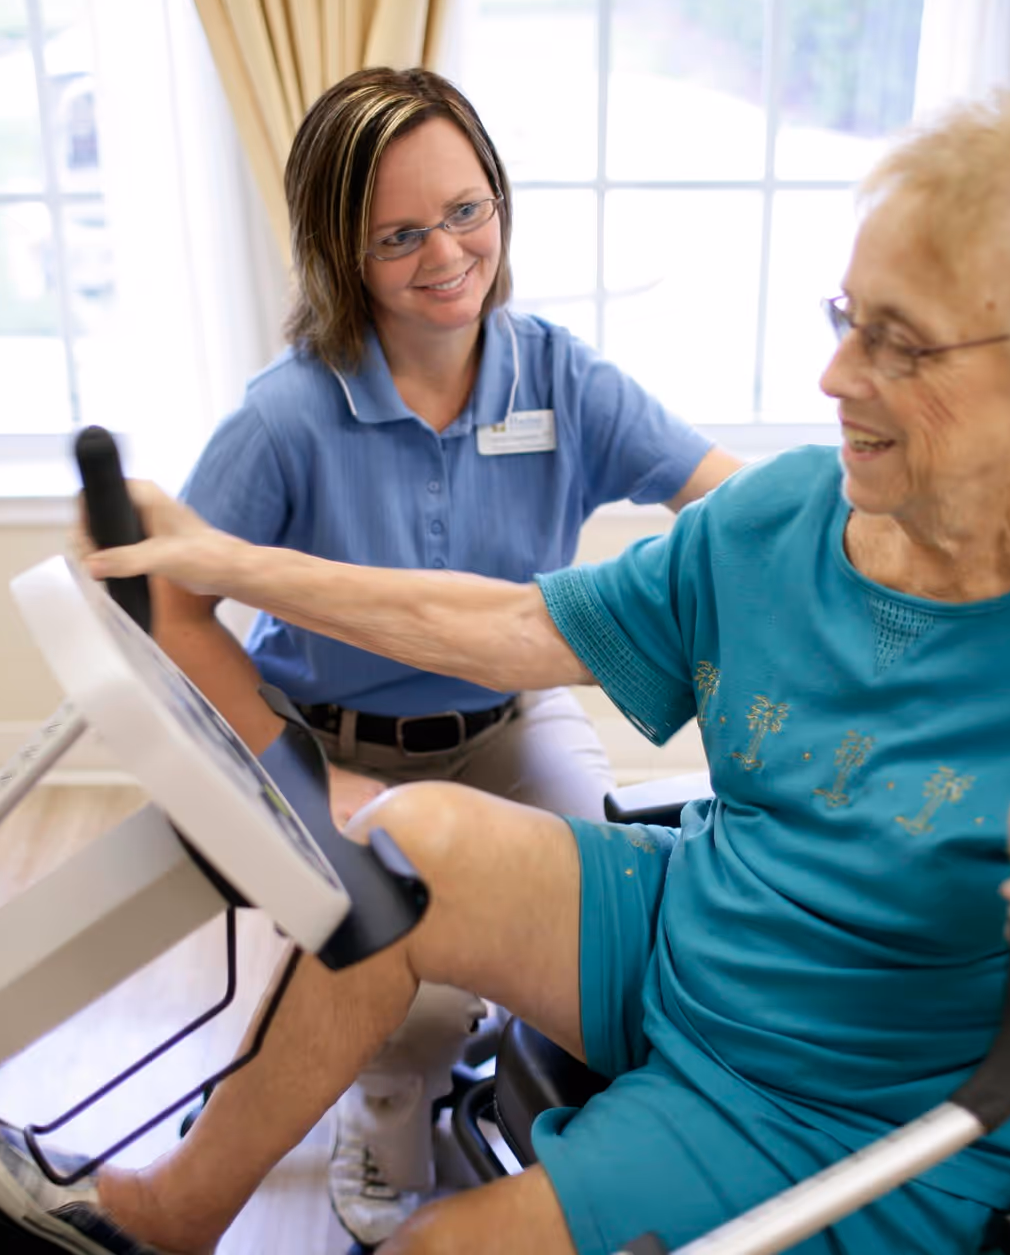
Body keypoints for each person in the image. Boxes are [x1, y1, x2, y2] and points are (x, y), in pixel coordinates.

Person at [0, 88, 1010, 1255]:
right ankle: (169, 1214)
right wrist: (226, 561)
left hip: (846, 1091)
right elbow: (508, 626)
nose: (834, 374)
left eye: (899, 344)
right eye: (847, 314)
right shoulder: (790, 513)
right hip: (694, 930)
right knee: (408, 846)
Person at [131, 66, 739, 1245]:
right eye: (399, 234)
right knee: (400, 967)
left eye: (467, 211)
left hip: (509, 721)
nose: (447, 254)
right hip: (326, 736)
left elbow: (725, 499)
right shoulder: (287, 416)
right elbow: (167, 602)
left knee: (599, 921)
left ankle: (569, 1126)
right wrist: (304, 778)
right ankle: (389, 1104)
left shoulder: (560, 376)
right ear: (338, 254)